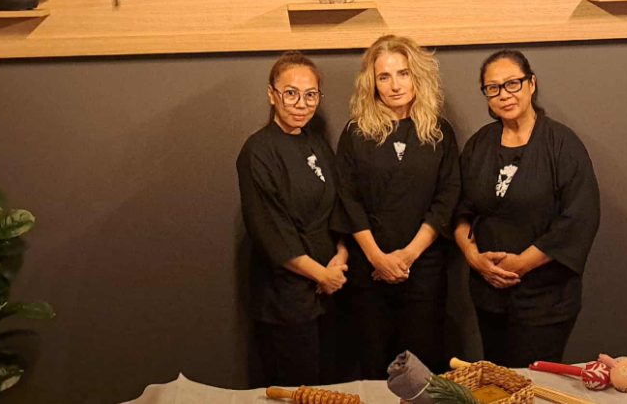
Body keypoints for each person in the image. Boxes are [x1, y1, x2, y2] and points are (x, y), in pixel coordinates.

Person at [454, 49, 600, 367]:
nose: (504, 94)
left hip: (545, 299)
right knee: (497, 380)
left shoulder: (561, 144)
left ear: (531, 84)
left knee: (534, 383)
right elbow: (460, 210)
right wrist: (473, 257)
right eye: (493, 88)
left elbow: (579, 218)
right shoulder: (479, 144)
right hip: (488, 293)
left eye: (512, 83)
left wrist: (521, 264)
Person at [333, 35, 460, 377]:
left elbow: (447, 196)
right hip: (369, 271)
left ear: (417, 76)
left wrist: (408, 256)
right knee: (373, 365)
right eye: (384, 76)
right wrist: (378, 258)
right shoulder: (355, 133)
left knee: (422, 367)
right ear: (372, 83)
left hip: (424, 270)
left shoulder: (439, 132)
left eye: (403, 73)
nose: (395, 85)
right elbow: (348, 198)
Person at [237, 51, 348, 386]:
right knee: (298, 390)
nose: (301, 104)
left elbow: (338, 206)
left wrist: (341, 256)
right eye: (291, 93)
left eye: (310, 94)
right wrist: (321, 274)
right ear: (272, 95)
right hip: (286, 297)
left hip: (330, 290)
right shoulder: (258, 151)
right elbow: (269, 229)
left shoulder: (317, 144)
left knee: (332, 387)